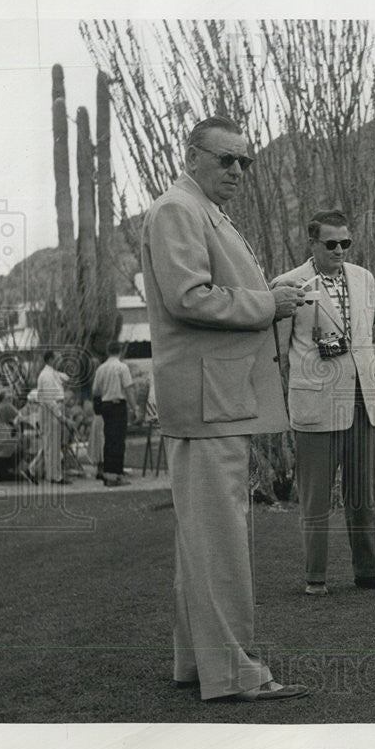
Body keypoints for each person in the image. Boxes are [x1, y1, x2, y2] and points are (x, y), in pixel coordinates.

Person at [142, 115, 308, 702]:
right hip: (209, 398)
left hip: (217, 395)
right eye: (225, 159)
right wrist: (269, 303)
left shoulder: (197, 209)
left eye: (245, 161)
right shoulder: (178, 210)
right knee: (221, 539)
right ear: (192, 156)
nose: (237, 170)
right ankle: (236, 672)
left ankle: (200, 664)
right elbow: (189, 297)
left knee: (205, 539)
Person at [272, 209, 375, 597]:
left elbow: (366, 337)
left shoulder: (365, 279)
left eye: (346, 242)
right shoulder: (288, 284)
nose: (340, 250)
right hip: (315, 402)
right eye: (331, 244)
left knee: (363, 495)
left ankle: (368, 572)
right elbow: (277, 352)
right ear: (312, 243)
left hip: (363, 399)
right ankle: (316, 578)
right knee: (315, 497)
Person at [91, 341, 140, 487]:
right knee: (118, 441)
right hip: (118, 404)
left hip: (106, 405)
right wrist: (134, 408)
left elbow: (95, 391)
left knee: (109, 440)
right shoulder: (122, 367)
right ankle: (117, 475)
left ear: (107, 351)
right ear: (120, 351)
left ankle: (108, 473)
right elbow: (129, 388)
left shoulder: (101, 369)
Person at [35, 350, 70, 484]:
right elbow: (49, 400)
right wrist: (60, 416)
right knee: (52, 445)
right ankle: (55, 476)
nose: (60, 360)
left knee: (50, 444)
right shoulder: (46, 376)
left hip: (54, 408)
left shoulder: (53, 373)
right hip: (50, 410)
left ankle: (32, 469)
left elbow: (64, 377)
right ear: (50, 360)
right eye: (58, 358)